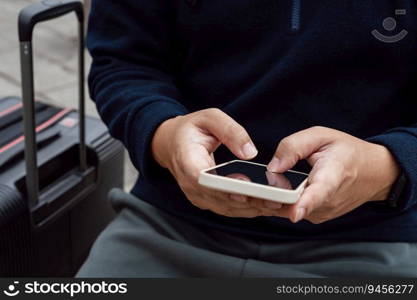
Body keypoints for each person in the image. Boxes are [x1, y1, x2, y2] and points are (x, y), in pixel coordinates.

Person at [77, 0, 417, 277]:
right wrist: (165, 134)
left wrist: (385, 168)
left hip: (377, 237)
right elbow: (123, 61)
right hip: (169, 223)